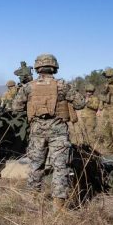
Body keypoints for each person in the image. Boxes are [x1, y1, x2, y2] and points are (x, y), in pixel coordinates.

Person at [12, 53, 84, 210]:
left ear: (37, 68)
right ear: (54, 67)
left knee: (35, 165)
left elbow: (16, 107)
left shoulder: (28, 86)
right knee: (60, 167)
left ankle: (33, 201)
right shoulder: (63, 85)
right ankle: (58, 206)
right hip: (58, 131)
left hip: (37, 131)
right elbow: (80, 103)